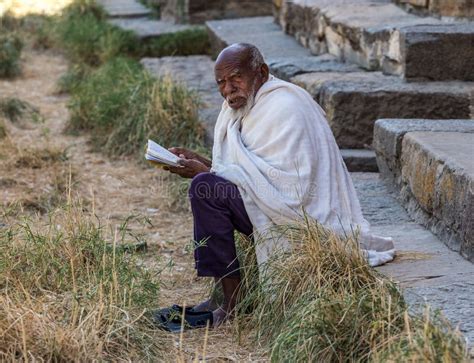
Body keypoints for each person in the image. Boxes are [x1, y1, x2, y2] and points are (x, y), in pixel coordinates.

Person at [160, 43, 395, 329]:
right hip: (267, 201)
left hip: (299, 214)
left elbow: (288, 186)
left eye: (236, 78)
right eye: (221, 82)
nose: (228, 89)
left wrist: (205, 173)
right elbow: (251, 172)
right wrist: (200, 162)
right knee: (205, 186)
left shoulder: (286, 107)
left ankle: (232, 306)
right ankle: (221, 294)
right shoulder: (240, 105)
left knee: (204, 188)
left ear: (261, 72)